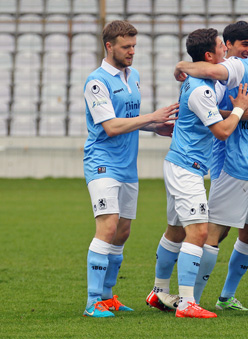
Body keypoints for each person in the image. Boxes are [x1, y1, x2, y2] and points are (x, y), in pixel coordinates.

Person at [174, 16, 248, 315]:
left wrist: (182, 66)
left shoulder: (241, 66)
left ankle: (194, 300)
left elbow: (211, 70)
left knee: (213, 234)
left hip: (237, 162)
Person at [146, 27, 248, 319]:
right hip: (185, 169)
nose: (225, 51)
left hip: (179, 164)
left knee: (176, 230)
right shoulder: (201, 88)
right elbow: (221, 132)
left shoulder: (205, 81)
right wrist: (239, 111)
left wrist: (235, 111)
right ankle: (187, 302)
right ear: (210, 55)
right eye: (221, 47)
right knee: (199, 231)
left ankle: (158, 291)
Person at [82, 20, 178, 318]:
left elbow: (129, 118)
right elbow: (111, 127)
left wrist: (156, 127)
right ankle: (92, 301)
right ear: (109, 46)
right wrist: (151, 116)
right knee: (108, 226)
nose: (131, 52)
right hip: (102, 163)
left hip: (127, 166)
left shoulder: (132, 75)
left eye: (134, 46)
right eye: (126, 47)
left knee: (122, 232)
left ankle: (109, 297)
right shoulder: (96, 82)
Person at [192, 21, 248, 312]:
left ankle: (226, 297)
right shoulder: (220, 78)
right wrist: (238, 111)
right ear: (229, 46)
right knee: (214, 232)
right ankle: (190, 297)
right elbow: (210, 115)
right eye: (243, 44)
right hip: (226, 162)